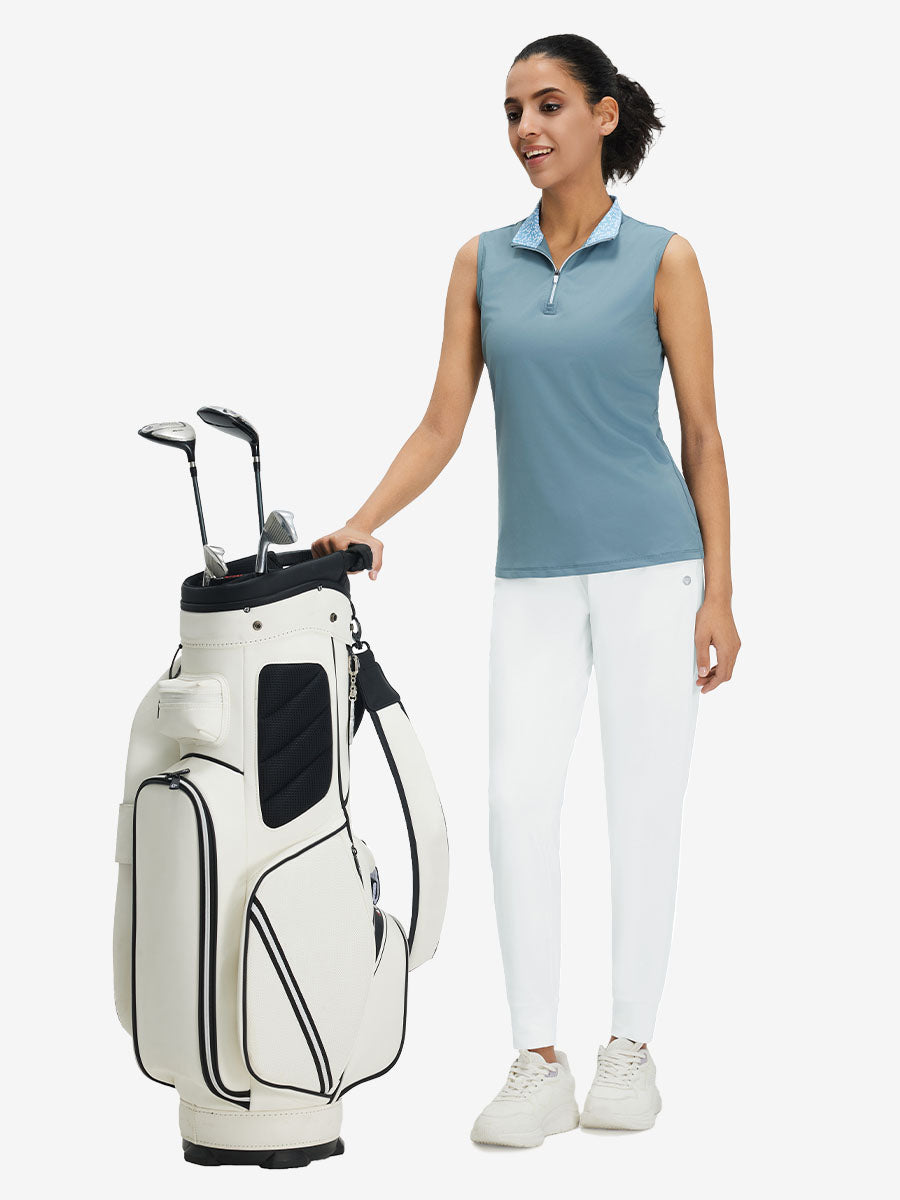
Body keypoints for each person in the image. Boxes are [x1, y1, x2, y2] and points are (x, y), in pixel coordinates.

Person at [311, 32, 740, 1149]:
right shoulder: (481, 262)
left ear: (603, 115)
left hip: (655, 566)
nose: (526, 129)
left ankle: (630, 1048)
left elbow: (701, 435)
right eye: (511, 111)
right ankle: (538, 1058)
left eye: (547, 105)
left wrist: (720, 594)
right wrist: (364, 519)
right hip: (533, 576)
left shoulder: (665, 259)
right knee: (515, 805)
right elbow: (441, 423)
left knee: (643, 808)